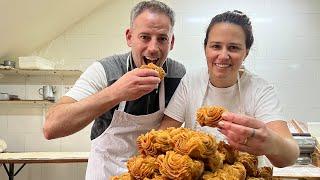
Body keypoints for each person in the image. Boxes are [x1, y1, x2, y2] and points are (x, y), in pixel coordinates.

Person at [43, 1, 185, 179]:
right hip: (105, 172)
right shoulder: (104, 70)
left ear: (171, 42)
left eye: (162, 39)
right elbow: (51, 127)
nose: (153, 48)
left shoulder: (178, 75)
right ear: (129, 37)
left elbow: (168, 130)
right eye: (145, 37)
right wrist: (115, 93)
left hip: (150, 174)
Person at [160, 10, 299, 168]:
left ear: (245, 53)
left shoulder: (260, 90)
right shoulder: (191, 81)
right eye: (216, 46)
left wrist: (271, 143)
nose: (223, 55)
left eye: (233, 48)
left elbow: (290, 155)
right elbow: (164, 133)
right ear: (205, 48)